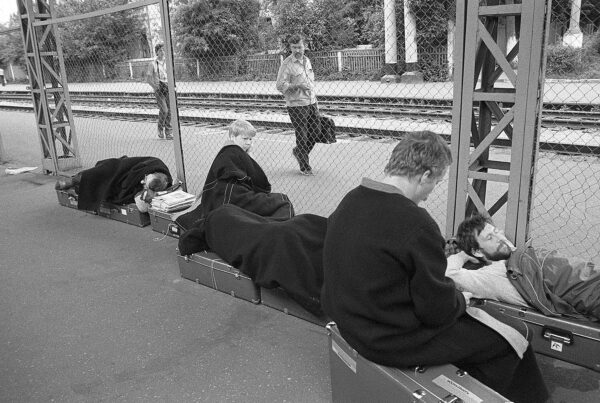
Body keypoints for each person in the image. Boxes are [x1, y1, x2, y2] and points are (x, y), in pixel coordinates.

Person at [321, 131, 548, 402]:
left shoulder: (351, 200)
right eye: (436, 182)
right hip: (389, 340)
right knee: (514, 335)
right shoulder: (416, 222)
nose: (430, 194)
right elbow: (437, 311)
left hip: (354, 324)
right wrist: (462, 300)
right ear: (425, 175)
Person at [447, 213, 600, 321]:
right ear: (477, 251)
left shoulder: (522, 254)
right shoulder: (490, 277)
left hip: (586, 276)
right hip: (587, 292)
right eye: (490, 238)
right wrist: (463, 254)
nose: (500, 238)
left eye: (496, 231)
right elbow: (449, 273)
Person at [175, 120, 294, 231]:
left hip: (232, 194)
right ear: (232, 137)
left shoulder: (233, 151)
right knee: (281, 202)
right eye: (245, 139)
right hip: (232, 196)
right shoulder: (231, 151)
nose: (248, 142)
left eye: (251, 139)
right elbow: (258, 180)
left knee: (278, 202)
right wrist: (250, 155)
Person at [55, 156, 172, 213]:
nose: (142, 181)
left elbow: (129, 190)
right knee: (107, 168)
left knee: (110, 188)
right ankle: (75, 180)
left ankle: (77, 185)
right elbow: (131, 169)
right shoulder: (153, 165)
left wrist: (144, 190)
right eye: (145, 179)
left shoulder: (160, 187)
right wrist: (140, 181)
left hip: (127, 183)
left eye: (144, 183)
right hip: (125, 169)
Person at [276, 34, 319, 176]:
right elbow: (280, 85)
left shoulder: (307, 60)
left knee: (316, 131)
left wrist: (315, 100)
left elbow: (310, 82)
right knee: (302, 135)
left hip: (311, 102)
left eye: (299, 46)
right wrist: (297, 86)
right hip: (296, 105)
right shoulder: (287, 64)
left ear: (304, 46)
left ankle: (299, 152)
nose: (297, 50)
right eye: (294, 47)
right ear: (290, 48)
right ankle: (304, 166)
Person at [146, 43, 172, 140]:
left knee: (170, 112)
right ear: (157, 52)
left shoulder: (168, 62)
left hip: (168, 88)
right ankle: (160, 129)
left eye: (164, 50)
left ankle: (168, 132)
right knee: (164, 110)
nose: (163, 52)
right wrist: (155, 87)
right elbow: (148, 79)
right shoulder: (152, 64)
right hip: (159, 90)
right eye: (160, 50)